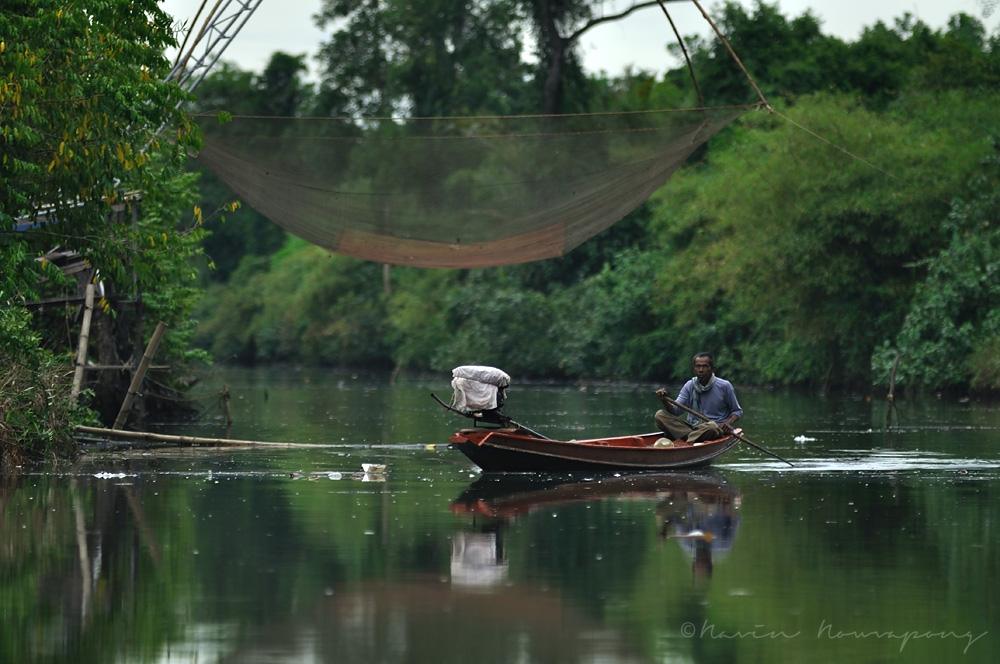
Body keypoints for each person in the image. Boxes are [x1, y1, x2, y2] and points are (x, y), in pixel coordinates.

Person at [654, 353, 742, 444]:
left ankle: (684, 440)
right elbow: (675, 411)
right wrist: (664, 399)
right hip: (691, 428)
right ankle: (691, 437)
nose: (701, 370)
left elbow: (737, 411)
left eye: (705, 366)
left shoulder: (724, 386)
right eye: (698, 366)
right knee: (660, 415)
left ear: (712, 368)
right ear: (694, 369)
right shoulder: (690, 385)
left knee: (712, 426)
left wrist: (727, 423)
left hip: (713, 429)